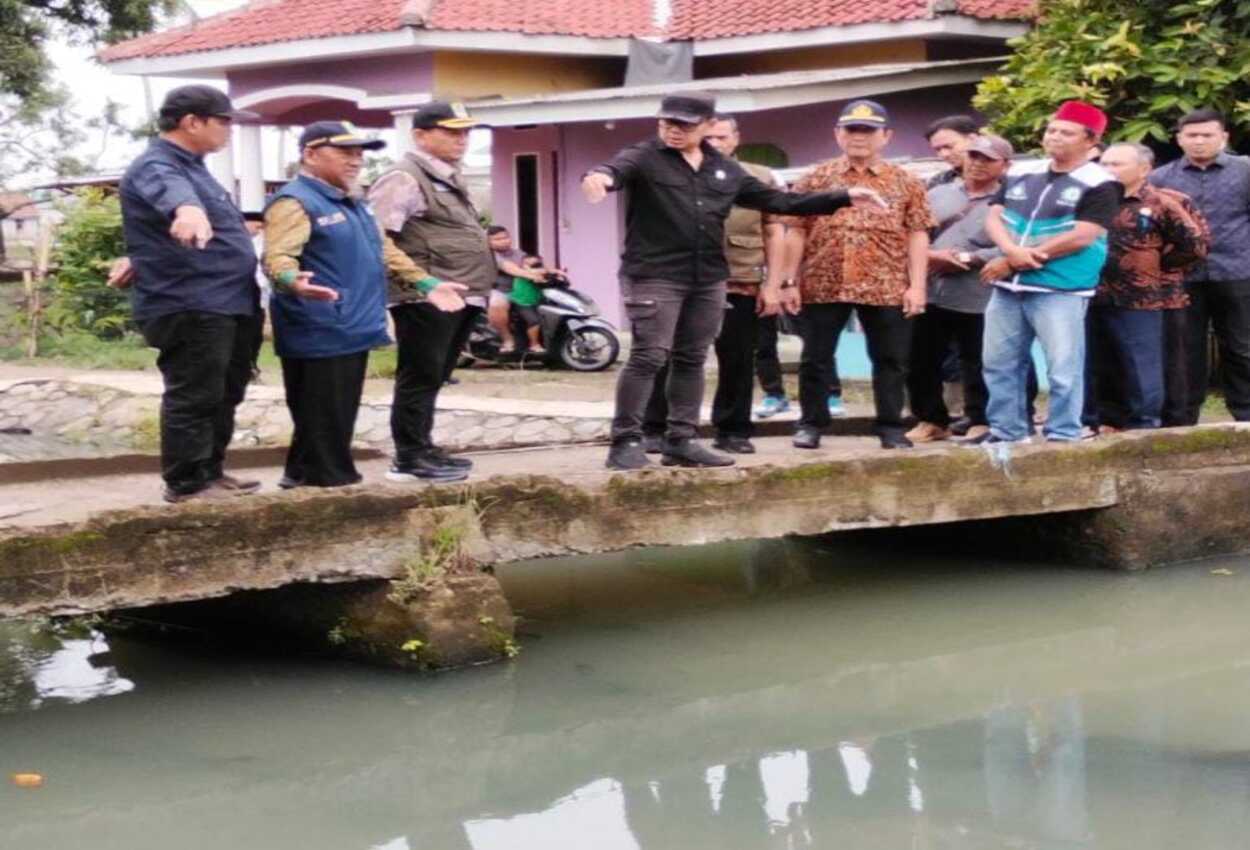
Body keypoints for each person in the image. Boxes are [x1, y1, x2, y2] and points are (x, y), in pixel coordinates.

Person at [581, 92, 888, 470]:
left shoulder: (722, 169)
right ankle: (626, 440)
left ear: (709, 126)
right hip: (655, 274)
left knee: (692, 358)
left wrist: (843, 196)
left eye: (684, 125)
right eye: (666, 123)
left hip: (708, 277)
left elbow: (780, 202)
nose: (673, 131)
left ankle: (683, 439)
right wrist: (598, 179)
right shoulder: (644, 156)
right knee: (649, 356)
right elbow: (612, 170)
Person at [263, 121, 468, 488]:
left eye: (359, 153)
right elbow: (277, 256)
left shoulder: (353, 200)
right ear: (310, 154)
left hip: (351, 324)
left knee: (335, 416)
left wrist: (427, 281)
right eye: (344, 152)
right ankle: (325, 486)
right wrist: (293, 281)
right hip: (318, 325)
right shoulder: (295, 201)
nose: (355, 160)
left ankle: (304, 477)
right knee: (322, 415)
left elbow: (384, 249)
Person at [118, 85, 265, 503]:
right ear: (191, 122)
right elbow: (173, 196)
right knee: (195, 392)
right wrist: (189, 210)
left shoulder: (197, 167)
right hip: (191, 302)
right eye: (224, 121)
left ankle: (211, 471)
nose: (230, 131)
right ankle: (186, 482)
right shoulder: (157, 165)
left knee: (225, 390)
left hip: (228, 300)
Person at [784, 99, 934, 451]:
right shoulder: (816, 177)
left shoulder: (906, 182)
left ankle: (891, 426)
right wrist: (788, 281)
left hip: (885, 284)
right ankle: (811, 424)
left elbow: (918, 233)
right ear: (838, 134)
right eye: (851, 130)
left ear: (886, 136)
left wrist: (917, 285)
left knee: (891, 360)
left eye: (868, 131)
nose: (859, 137)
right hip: (824, 281)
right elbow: (795, 230)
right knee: (816, 358)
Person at [640, 113, 789, 454]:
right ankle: (656, 427)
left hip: (741, 280)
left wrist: (774, 285)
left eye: (723, 137)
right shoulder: (666, 174)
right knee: (666, 356)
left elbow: (774, 231)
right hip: (679, 281)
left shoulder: (758, 177)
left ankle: (734, 430)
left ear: (737, 138)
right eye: (710, 137)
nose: (716, 144)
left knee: (737, 358)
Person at [976, 101, 1120, 445]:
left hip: (1060, 288)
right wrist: (1010, 252)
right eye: (1051, 130)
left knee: (1062, 369)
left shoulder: (1101, 182)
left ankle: (1063, 433)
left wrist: (1013, 260)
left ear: (1090, 141)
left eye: (1066, 132)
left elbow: (1084, 235)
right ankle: (1007, 431)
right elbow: (994, 216)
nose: (1054, 136)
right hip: (1009, 286)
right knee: (998, 363)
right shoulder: (1023, 171)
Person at [367, 101, 495, 480]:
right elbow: (377, 239)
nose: (461, 140)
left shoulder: (450, 176)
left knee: (435, 375)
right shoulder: (403, 177)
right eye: (450, 131)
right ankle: (408, 457)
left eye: (465, 132)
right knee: (420, 374)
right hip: (425, 295)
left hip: (459, 292)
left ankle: (423, 446)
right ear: (420, 135)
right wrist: (422, 281)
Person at [1084, 143, 1209, 432]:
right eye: (1105, 163)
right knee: (1100, 359)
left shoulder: (1164, 202)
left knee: (1145, 363)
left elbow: (1194, 245)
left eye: (1117, 164)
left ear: (1144, 169)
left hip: (1144, 297)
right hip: (1094, 292)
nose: (1108, 170)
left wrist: (1157, 265)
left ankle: (1147, 423)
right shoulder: (1092, 200)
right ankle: (1105, 419)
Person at [906, 134, 1013, 444]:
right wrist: (931, 256)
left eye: (987, 159)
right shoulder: (937, 193)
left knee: (980, 358)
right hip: (930, 288)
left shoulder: (1013, 199)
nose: (977, 164)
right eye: (973, 156)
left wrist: (973, 257)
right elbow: (912, 234)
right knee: (921, 358)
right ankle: (930, 419)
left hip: (980, 290)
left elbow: (1020, 242)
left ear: (1004, 165)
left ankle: (981, 418)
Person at [1149, 108, 1250, 424]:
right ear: (1179, 139)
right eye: (1192, 135)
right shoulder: (1160, 178)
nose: (1200, 141)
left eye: (1208, 135)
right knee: (1183, 351)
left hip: (1238, 270)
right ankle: (1182, 419)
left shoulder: (1246, 170)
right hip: (1181, 276)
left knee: (1242, 346)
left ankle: (1246, 415)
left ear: (1224, 137)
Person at [486, 225, 547, 354]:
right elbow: (511, 268)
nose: (504, 241)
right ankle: (507, 339)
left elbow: (534, 264)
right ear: (488, 242)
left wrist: (553, 272)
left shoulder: (518, 253)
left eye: (506, 237)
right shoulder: (490, 255)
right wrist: (531, 275)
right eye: (497, 239)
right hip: (500, 289)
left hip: (521, 289)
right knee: (497, 304)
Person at [924, 115, 981, 189]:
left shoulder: (999, 178)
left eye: (948, 146)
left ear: (973, 139)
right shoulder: (939, 182)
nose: (944, 154)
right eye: (938, 149)